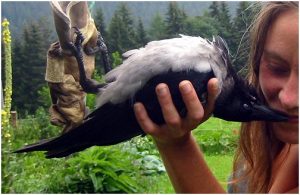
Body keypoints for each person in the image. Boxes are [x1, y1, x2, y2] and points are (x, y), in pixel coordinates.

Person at [133, 1, 298, 193]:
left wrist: (176, 145)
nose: (289, 99)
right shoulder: (263, 147)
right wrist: (173, 141)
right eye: (277, 69)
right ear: (257, 63)